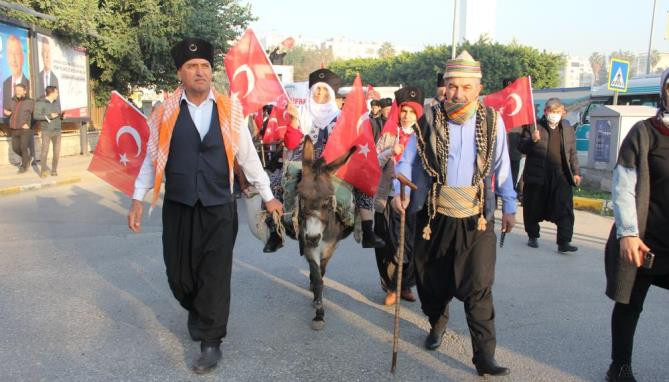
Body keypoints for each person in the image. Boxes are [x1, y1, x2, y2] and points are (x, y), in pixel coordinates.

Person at [127, 38, 282, 374]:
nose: (200, 72)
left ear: (211, 73)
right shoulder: (164, 111)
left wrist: (268, 195)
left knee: (214, 275)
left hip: (219, 206)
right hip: (179, 205)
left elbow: (248, 156)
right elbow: (152, 160)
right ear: (180, 73)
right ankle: (196, 308)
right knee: (179, 276)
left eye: (205, 67)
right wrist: (138, 197)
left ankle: (210, 340)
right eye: (192, 67)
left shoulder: (230, 110)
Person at [392, 51, 516, 377]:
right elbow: (408, 160)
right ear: (444, 87)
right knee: (432, 284)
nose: (457, 93)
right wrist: (399, 187)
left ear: (479, 88)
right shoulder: (429, 120)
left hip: (477, 217)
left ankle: (484, 356)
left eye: (465, 86)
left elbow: (502, 167)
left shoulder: (492, 121)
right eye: (452, 86)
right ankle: (437, 322)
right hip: (435, 217)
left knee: (479, 287)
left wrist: (510, 205)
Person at [604, 70, 669, 382]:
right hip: (645, 239)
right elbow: (623, 185)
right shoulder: (644, 133)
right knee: (629, 304)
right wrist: (628, 233)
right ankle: (620, 366)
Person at [284, 68, 385, 248]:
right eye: (317, 89)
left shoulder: (341, 117)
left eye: (325, 90)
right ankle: (282, 224)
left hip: (333, 164)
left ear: (331, 94)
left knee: (362, 180)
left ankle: (368, 231)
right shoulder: (299, 112)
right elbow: (291, 144)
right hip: (305, 162)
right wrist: (293, 120)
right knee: (280, 182)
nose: (320, 94)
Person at [374, 86, 423, 306]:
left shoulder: (424, 135)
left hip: (414, 199)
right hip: (388, 196)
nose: (407, 116)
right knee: (389, 243)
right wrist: (389, 152)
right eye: (404, 111)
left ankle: (401, 285)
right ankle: (390, 282)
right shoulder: (389, 133)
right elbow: (374, 162)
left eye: (412, 112)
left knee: (409, 244)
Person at [518, 98, 581, 253]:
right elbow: (522, 147)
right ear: (545, 111)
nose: (554, 115)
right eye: (552, 112)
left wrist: (576, 172)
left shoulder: (567, 128)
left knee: (565, 207)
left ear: (563, 113)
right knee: (533, 206)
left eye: (558, 112)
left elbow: (572, 152)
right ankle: (533, 235)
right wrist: (532, 141)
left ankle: (564, 241)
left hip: (560, 174)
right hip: (538, 173)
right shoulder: (534, 126)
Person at [4, 84, 35, 173]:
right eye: (16, 90)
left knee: (23, 147)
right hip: (14, 128)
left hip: (24, 129)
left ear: (25, 91)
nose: (17, 92)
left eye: (19, 90)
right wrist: (7, 113)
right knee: (15, 148)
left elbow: (35, 116)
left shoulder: (30, 102)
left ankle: (24, 166)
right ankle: (27, 159)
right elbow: (8, 111)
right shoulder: (12, 101)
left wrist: (29, 125)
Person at [34, 86, 62, 177]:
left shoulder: (56, 103)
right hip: (46, 130)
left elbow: (57, 114)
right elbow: (36, 116)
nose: (58, 94)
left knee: (57, 151)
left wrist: (62, 117)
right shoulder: (40, 103)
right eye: (56, 92)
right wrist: (49, 116)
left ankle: (54, 170)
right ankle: (43, 171)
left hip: (57, 130)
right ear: (52, 93)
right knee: (45, 151)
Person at [37, 37, 60, 104]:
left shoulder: (55, 78)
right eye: (44, 51)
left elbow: (58, 103)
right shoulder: (37, 77)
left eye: (48, 52)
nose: (47, 55)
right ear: (41, 54)